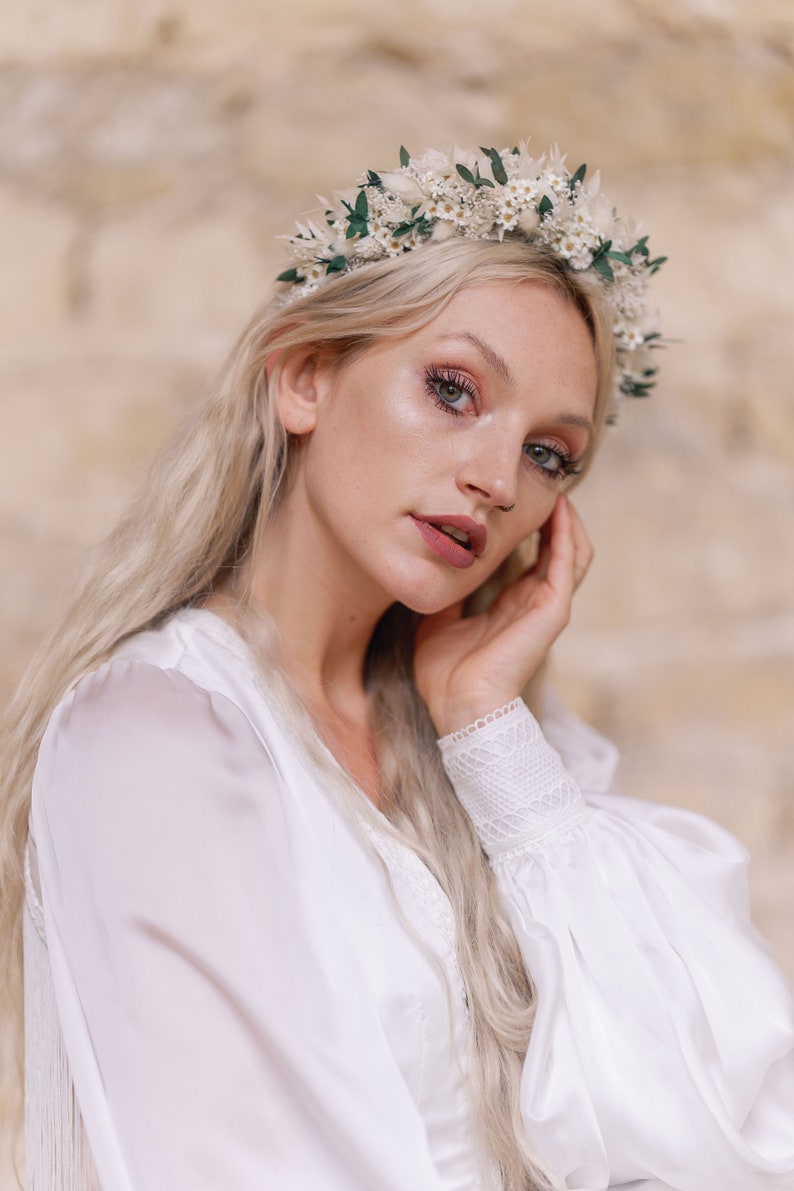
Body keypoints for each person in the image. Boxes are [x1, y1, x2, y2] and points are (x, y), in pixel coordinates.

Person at [1, 142, 792, 1191]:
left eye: (549, 454)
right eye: (454, 390)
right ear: (303, 377)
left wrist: (485, 728)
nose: (496, 479)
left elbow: (711, 1126)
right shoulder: (155, 736)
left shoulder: (500, 751)